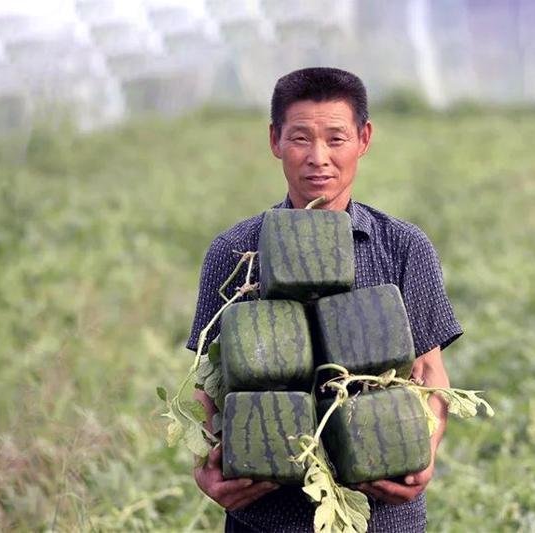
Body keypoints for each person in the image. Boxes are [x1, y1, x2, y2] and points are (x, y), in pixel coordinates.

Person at [186, 67, 463, 532]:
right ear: (274, 140)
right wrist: (203, 466)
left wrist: (424, 455)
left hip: (382, 517)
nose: (319, 158)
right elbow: (206, 383)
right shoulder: (234, 252)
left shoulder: (404, 247)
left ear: (364, 139)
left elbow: (431, 375)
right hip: (265, 517)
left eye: (336, 139)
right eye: (300, 139)